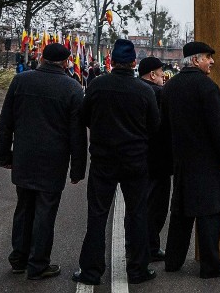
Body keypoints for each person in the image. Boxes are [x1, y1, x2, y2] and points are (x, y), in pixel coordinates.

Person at [0, 42, 87, 280]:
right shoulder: (73, 88)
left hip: (24, 157)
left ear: (43, 59)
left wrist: (4, 154)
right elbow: (77, 134)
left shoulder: (21, 81)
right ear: (67, 62)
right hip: (53, 161)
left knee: (24, 208)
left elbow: (6, 122)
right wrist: (77, 169)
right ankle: (38, 264)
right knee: (45, 213)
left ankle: (19, 258)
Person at [75, 39, 159, 286]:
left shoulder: (97, 86)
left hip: (103, 159)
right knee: (137, 214)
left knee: (97, 214)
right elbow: (154, 126)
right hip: (135, 160)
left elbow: (85, 117)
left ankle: (91, 270)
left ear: (112, 60)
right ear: (134, 62)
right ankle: (138, 268)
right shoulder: (144, 90)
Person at [163, 41, 220, 280]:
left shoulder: (170, 87)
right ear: (195, 60)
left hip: (182, 161)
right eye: (208, 57)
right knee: (210, 214)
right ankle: (210, 266)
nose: (212, 61)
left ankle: (173, 261)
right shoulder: (207, 88)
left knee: (181, 213)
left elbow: (163, 126)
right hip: (208, 162)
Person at [138, 56, 172, 263]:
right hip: (159, 158)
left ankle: (141, 244)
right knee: (157, 206)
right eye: (161, 74)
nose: (163, 77)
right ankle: (150, 246)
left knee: (141, 204)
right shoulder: (158, 93)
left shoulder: (136, 89)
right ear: (152, 75)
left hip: (139, 156)